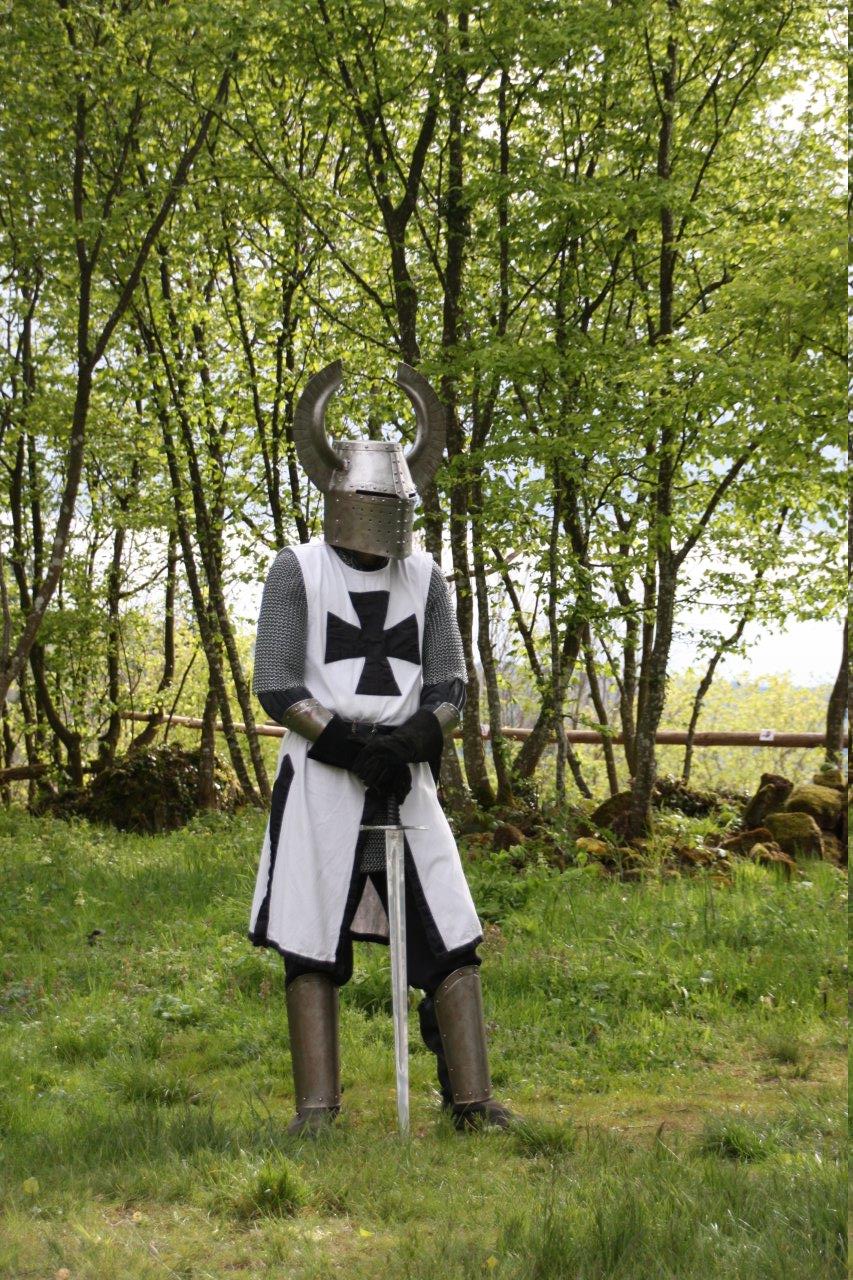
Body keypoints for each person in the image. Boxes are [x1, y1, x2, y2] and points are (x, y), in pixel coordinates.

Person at [248, 361, 512, 1136]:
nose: (384, 517)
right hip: (321, 779)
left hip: (404, 778)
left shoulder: (424, 577)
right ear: (342, 499)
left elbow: (449, 684)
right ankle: (316, 1113)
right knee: (310, 942)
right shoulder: (297, 571)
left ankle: (471, 1102)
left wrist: (412, 740)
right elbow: (276, 684)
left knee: (448, 934)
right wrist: (341, 742)